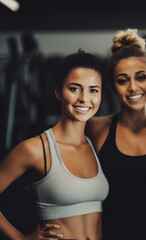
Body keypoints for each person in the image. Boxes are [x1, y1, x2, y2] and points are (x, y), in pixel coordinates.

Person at [0, 50, 109, 240]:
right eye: (74, 88)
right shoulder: (35, 149)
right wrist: (20, 239)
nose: (84, 98)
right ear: (58, 91)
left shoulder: (96, 143)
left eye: (93, 90)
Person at [85, 29, 146, 240]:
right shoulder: (95, 128)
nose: (133, 87)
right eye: (123, 80)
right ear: (113, 86)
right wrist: (39, 181)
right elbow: (55, 152)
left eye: (141, 77)